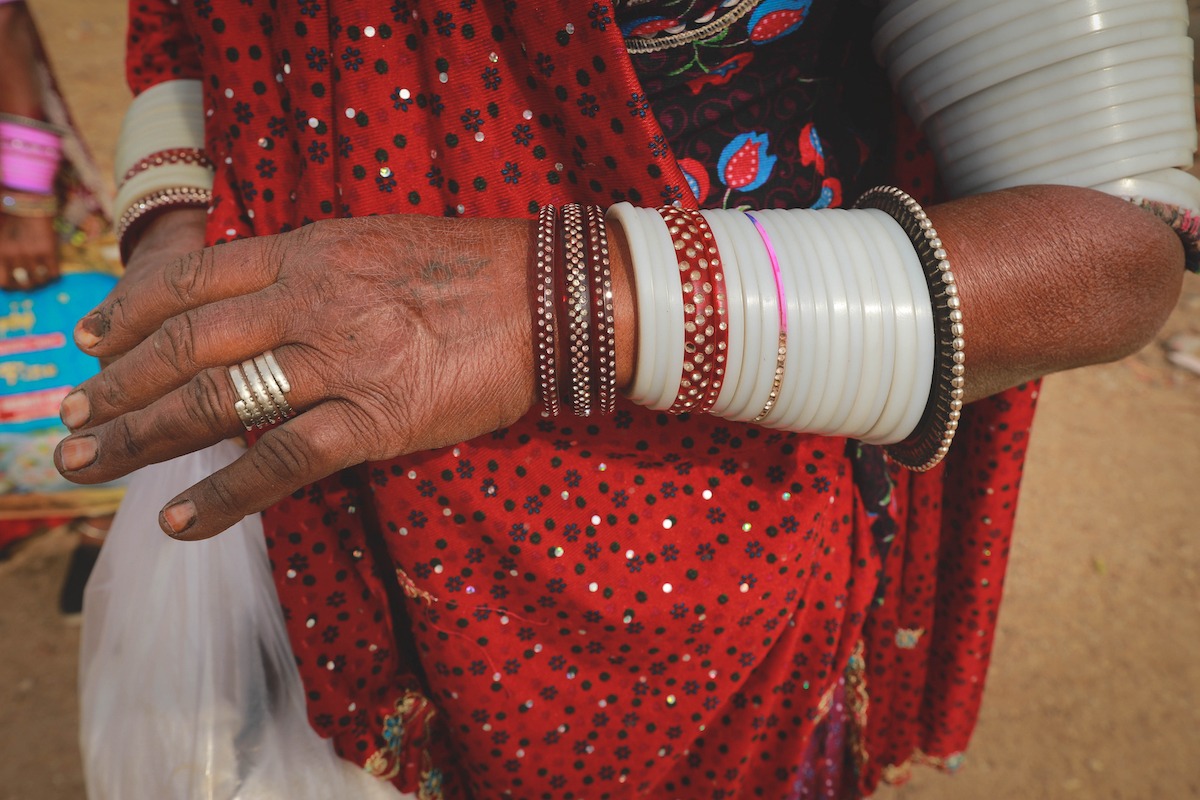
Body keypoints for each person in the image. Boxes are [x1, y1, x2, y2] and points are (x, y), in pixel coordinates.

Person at [57, 0, 1191, 797]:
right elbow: (188, 32)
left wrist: (552, 299)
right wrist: (172, 229)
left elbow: (1117, 246)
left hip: (678, 582)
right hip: (299, 502)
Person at [0, 0, 120, 615]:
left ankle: (100, 527)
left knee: (85, 350)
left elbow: (5, 21)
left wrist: (23, 200)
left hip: (13, 188)